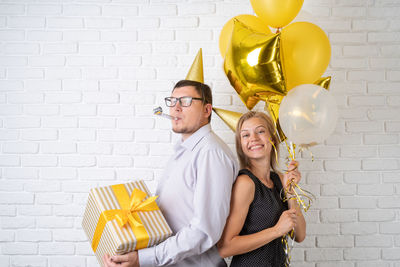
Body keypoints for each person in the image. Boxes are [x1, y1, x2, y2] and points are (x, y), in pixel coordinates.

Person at [103, 49, 238, 267]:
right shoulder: (183, 151)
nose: (175, 107)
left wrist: (144, 258)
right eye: (172, 101)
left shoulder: (210, 153)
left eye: (184, 101)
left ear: (206, 109)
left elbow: (204, 231)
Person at [217, 111, 306, 266]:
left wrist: (290, 191)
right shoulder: (245, 183)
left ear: (272, 138)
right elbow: (225, 247)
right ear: (241, 144)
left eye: (260, 131)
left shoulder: (278, 179)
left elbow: (299, 235)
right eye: (245, 135)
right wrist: (277, 231)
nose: (253, 138)